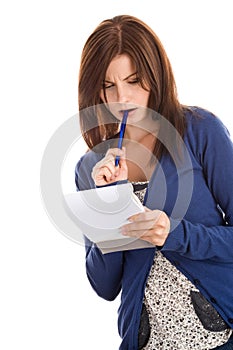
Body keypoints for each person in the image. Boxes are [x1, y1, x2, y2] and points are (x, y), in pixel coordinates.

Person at [75, 15, 233, 350]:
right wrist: (109, 201)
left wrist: (176, 234)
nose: (122, 99)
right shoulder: (91, 168)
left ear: (155, 75)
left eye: (134, 81)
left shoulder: (201, 131)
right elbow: (104, 286)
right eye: (108, 86)